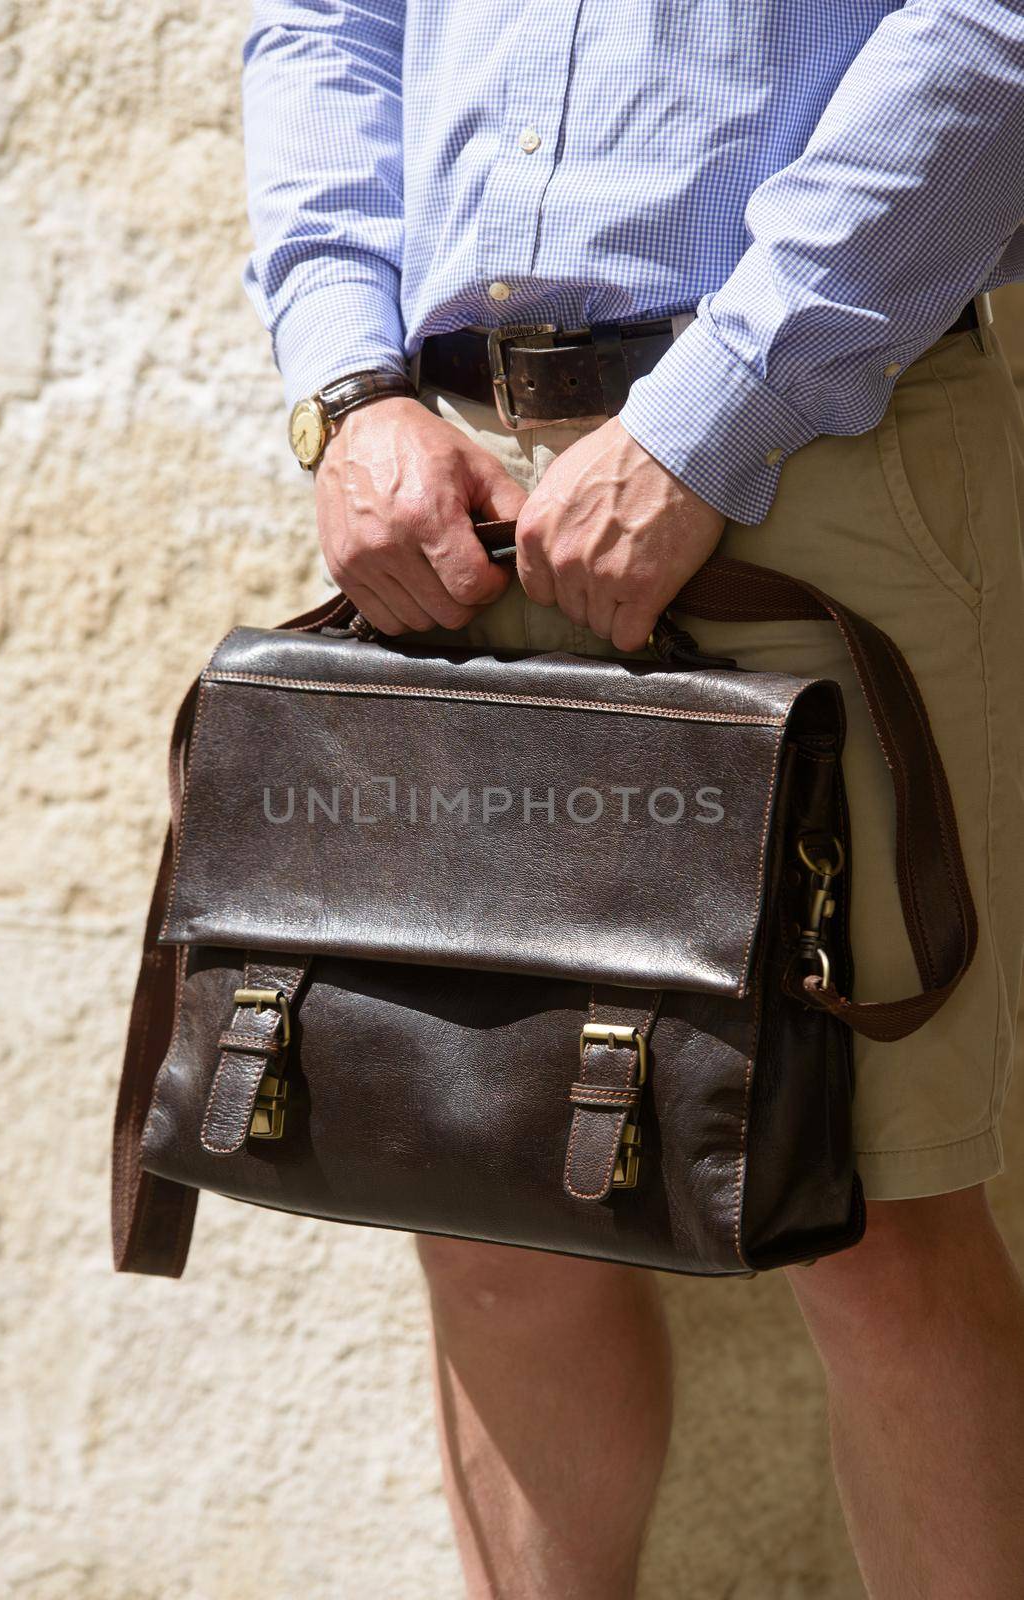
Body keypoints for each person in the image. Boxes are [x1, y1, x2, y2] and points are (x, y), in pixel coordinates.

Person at [240, 5, 1024, 1595]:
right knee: (478, 1196)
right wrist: (346, 383)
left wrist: (711, 410)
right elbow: (326, 23)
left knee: (876, 1226)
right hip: (448, 492)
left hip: (819, 452)